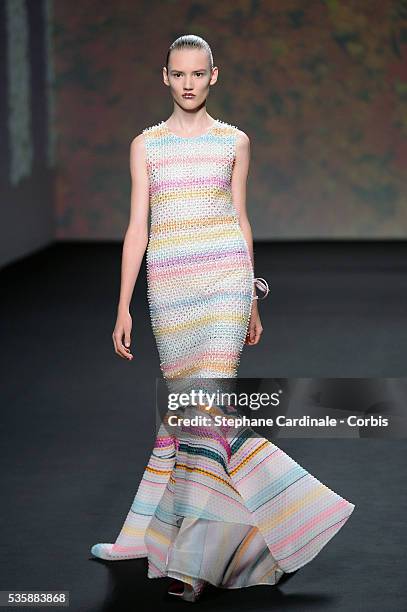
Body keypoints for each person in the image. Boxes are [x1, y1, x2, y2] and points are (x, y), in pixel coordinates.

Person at [90, 34, 355, 603]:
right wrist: (122, 303)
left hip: (225, 284)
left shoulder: (235, 141)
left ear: (216, 75)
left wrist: (253, 296)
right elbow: (138, 227)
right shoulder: (146, 145)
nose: (188, 83)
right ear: (165, 77)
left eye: (198, 73)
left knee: (210, 408)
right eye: (178, 73)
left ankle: (196, 564)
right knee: (187, 413)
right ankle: (269, 523)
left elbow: (240, 218)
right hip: (169, 286)